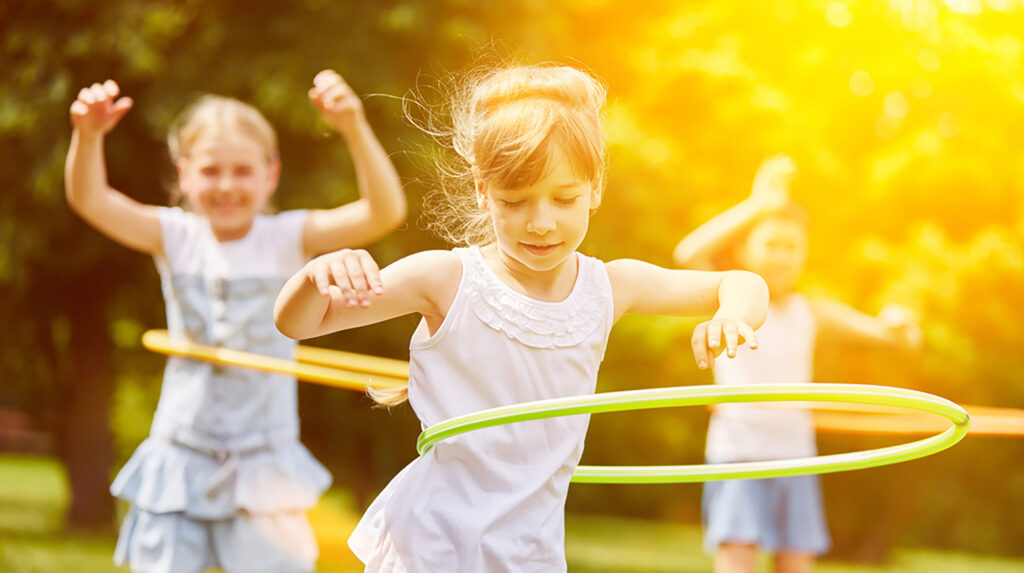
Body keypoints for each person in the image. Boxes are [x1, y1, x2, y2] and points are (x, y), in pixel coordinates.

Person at [273, 63, 771, 572]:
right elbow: (299, 324)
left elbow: (745, 283)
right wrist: (316, 277)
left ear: (595, 187)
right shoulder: (445, 279)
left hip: (530, 549)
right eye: (515, 200)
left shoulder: (610, 287)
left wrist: (732, 315)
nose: (541, 222)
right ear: (483, 190)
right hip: (434, 544)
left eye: (565, 198)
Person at [64, 70, 407, 573]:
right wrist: (88, 135)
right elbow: (91, 200)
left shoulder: (289, 236)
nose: (226, 185)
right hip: (182, 451)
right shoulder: (175, 235)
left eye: (243, 171)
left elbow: (384, 211)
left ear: (271, 174)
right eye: (210, 171)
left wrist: (354, 127)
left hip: (263, 459)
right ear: (184, 175)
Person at [673, 155, 923, 573]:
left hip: (796, 459)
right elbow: (687, 254)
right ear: (744, 249)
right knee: (737, 564)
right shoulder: (727, 298)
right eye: (771, 244)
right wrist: (759, 203)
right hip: (739, 457)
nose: (782, 257)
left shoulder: (813, 312)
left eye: (792, 247)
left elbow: (894, 337)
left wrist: (900, 323)